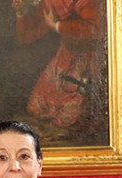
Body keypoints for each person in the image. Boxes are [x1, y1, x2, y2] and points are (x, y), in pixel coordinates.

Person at [11, 0, 104, 129]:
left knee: (73, 118)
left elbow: (97, 29)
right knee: (37, 108)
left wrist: (57, 26)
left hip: (92, 58)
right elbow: (30, 34)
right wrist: (22, 12)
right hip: (66, 55)